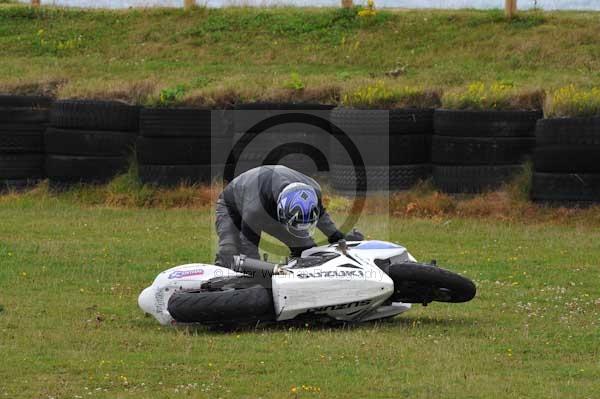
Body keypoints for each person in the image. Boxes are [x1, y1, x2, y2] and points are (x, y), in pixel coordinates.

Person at [215, 165, 363, 269]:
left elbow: (322, 218)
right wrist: (259, 275)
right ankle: (217, 279)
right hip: (232, 206)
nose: (298, 228)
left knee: (307, 249)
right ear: (282, 213)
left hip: (269, 203)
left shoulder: (313, 191)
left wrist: (338, 238)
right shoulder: (256, 209)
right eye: (295, 223)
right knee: (229, 249)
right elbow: (250, 245)